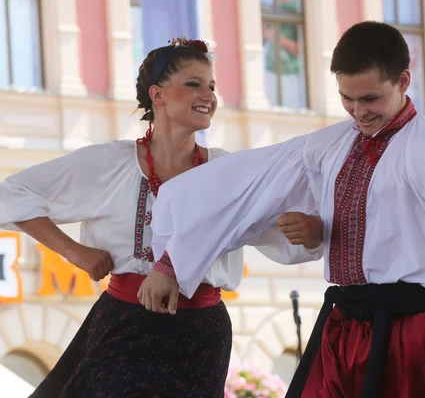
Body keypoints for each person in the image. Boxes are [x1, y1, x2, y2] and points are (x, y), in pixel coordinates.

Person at [144, 23, 425, 397]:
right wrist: (172, 259)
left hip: (415, 330)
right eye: (347, 99)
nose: (358, 111)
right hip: (345, 322)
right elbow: (250, 183)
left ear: (404, 81)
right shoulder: (331, 144)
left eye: (370, 98)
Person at [0, 38, 324, 397]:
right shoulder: (110, 164)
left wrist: (310, 230)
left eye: (212, 86)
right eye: (193, 84)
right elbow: (12, 193)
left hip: (200, 335)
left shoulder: (226, 170)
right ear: (158, 95)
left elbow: (278, 233)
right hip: (125, 324)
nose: (209, 95)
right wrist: (74, 251)